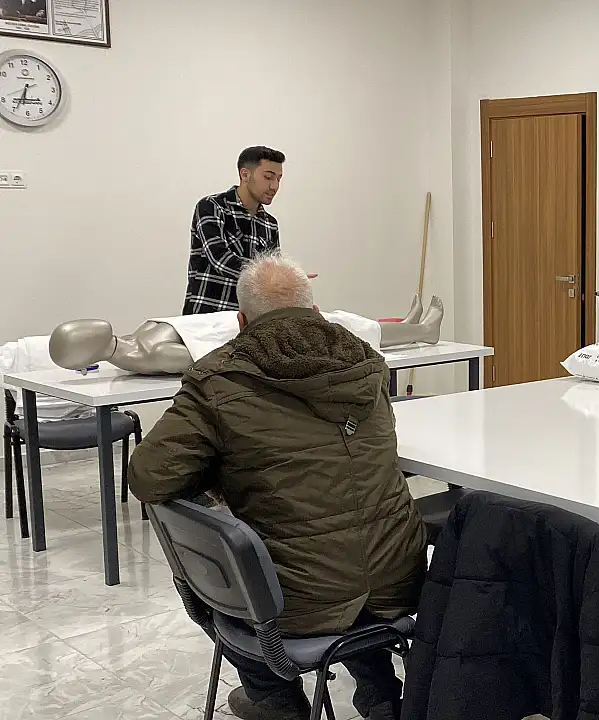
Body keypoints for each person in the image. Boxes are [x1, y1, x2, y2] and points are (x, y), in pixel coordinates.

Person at [129, 254, 428, 720]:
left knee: (230, 564)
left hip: (293, 606)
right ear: (315, 311)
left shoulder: (219, 379)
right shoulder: (368, 363)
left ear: (241, 321)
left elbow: (148, 476)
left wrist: (221, 473)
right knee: (351, 548)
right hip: (402, 580)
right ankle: (381, 695)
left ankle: (275, 701)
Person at [47, 293, 445, 375]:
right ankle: (421, 330)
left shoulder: (139, 337)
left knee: (342, 319)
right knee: (344, 327)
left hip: (248, 317)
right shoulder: (147, 355)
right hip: (256, 328)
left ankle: (407, 326)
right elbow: (217, 354)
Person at [184, 146, 288, 315]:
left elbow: (272, 271)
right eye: (268, 177)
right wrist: (275, 276)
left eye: (279, 179)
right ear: (245, 175)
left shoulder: (270, 224)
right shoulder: (212, 207)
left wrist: (288, 280)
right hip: (207, 316)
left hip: (249, 320)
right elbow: (220, 259)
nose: (274, 186)